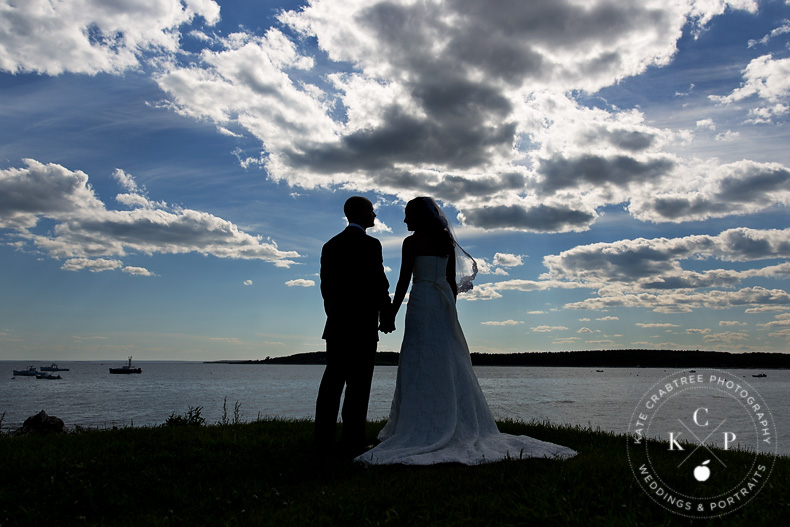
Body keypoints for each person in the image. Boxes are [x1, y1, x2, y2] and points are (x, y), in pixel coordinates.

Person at [357, 197, 577, 465]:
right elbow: (450, 281)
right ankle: (453, 414)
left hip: (421, 301)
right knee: (447, 356)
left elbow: (404, 280)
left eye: (408, 215)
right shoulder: (445, 241)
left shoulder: (411, 243)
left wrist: (390, 312)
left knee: (419, 356)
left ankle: (419, 422)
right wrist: (450, 308)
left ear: (419, 217)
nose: (405, 221)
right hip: (443, 303)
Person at [315, 196, 393, 458]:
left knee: (332, 382)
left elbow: (326, 287)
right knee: (359, 386)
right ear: (359, 212)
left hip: (337, 325)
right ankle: (353, 441)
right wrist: (386, 314)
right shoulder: (371, 245)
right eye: (371, 210)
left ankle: (323, 440)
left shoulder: (330, 245)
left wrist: (334, 314)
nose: (374, 215)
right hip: (362, 325)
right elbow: (378, 281)